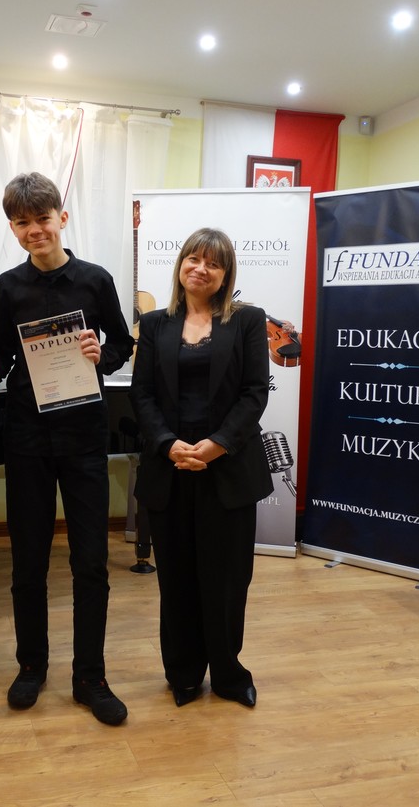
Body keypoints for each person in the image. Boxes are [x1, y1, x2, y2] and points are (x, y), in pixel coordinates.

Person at [0, 172, 134, 725]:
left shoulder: (95, 280)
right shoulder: (6, 286)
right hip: (27, 436)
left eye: (42, 219)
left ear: (61, 218)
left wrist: (101, 353)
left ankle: (90, 676)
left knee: (90, 561)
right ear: (13, 227)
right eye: (22, 222)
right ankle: (31, 666)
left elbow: (122, 343)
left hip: (85, 436)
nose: (34, 230)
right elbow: (1, 352)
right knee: (28, 560)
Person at [129, 227, 272, 709]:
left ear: (225, 274)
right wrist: (168, 445)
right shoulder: (154, 324)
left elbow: (254, 392)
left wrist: (217, 446)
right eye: (194, 258)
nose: (201, 268)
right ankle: (184, 674)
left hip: (227, 470)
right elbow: (142, 395)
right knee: (177, 579)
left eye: (213, 262)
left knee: (228, 580)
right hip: (169, 469)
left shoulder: (247, 320)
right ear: (181, 266)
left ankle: (229, 674)